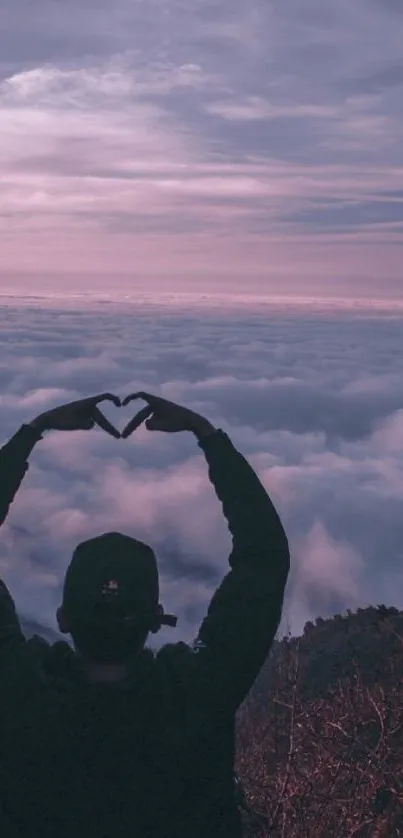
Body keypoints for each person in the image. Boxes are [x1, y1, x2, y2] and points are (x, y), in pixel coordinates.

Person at [0, 391, 290, 838]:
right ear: (157, 617)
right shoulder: (197, 698)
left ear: (62, 617)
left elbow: (264, 559)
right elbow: (264, 558)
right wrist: (206, 434)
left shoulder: (20, 698)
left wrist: (33, 431)